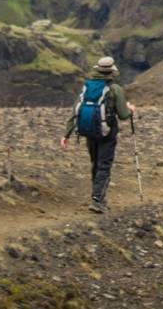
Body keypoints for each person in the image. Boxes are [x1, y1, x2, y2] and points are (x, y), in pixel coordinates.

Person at [60, 56, 136, 213]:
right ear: (111, 71)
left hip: (89, 131)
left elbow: (75, 111)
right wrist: (131, 110)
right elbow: (123, 115)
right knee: (104, 165)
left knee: (95, 163)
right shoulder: (115, 89)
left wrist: (66, 135)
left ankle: (97, 197)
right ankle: (97, 200)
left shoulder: (87, 87)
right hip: (107, 132)